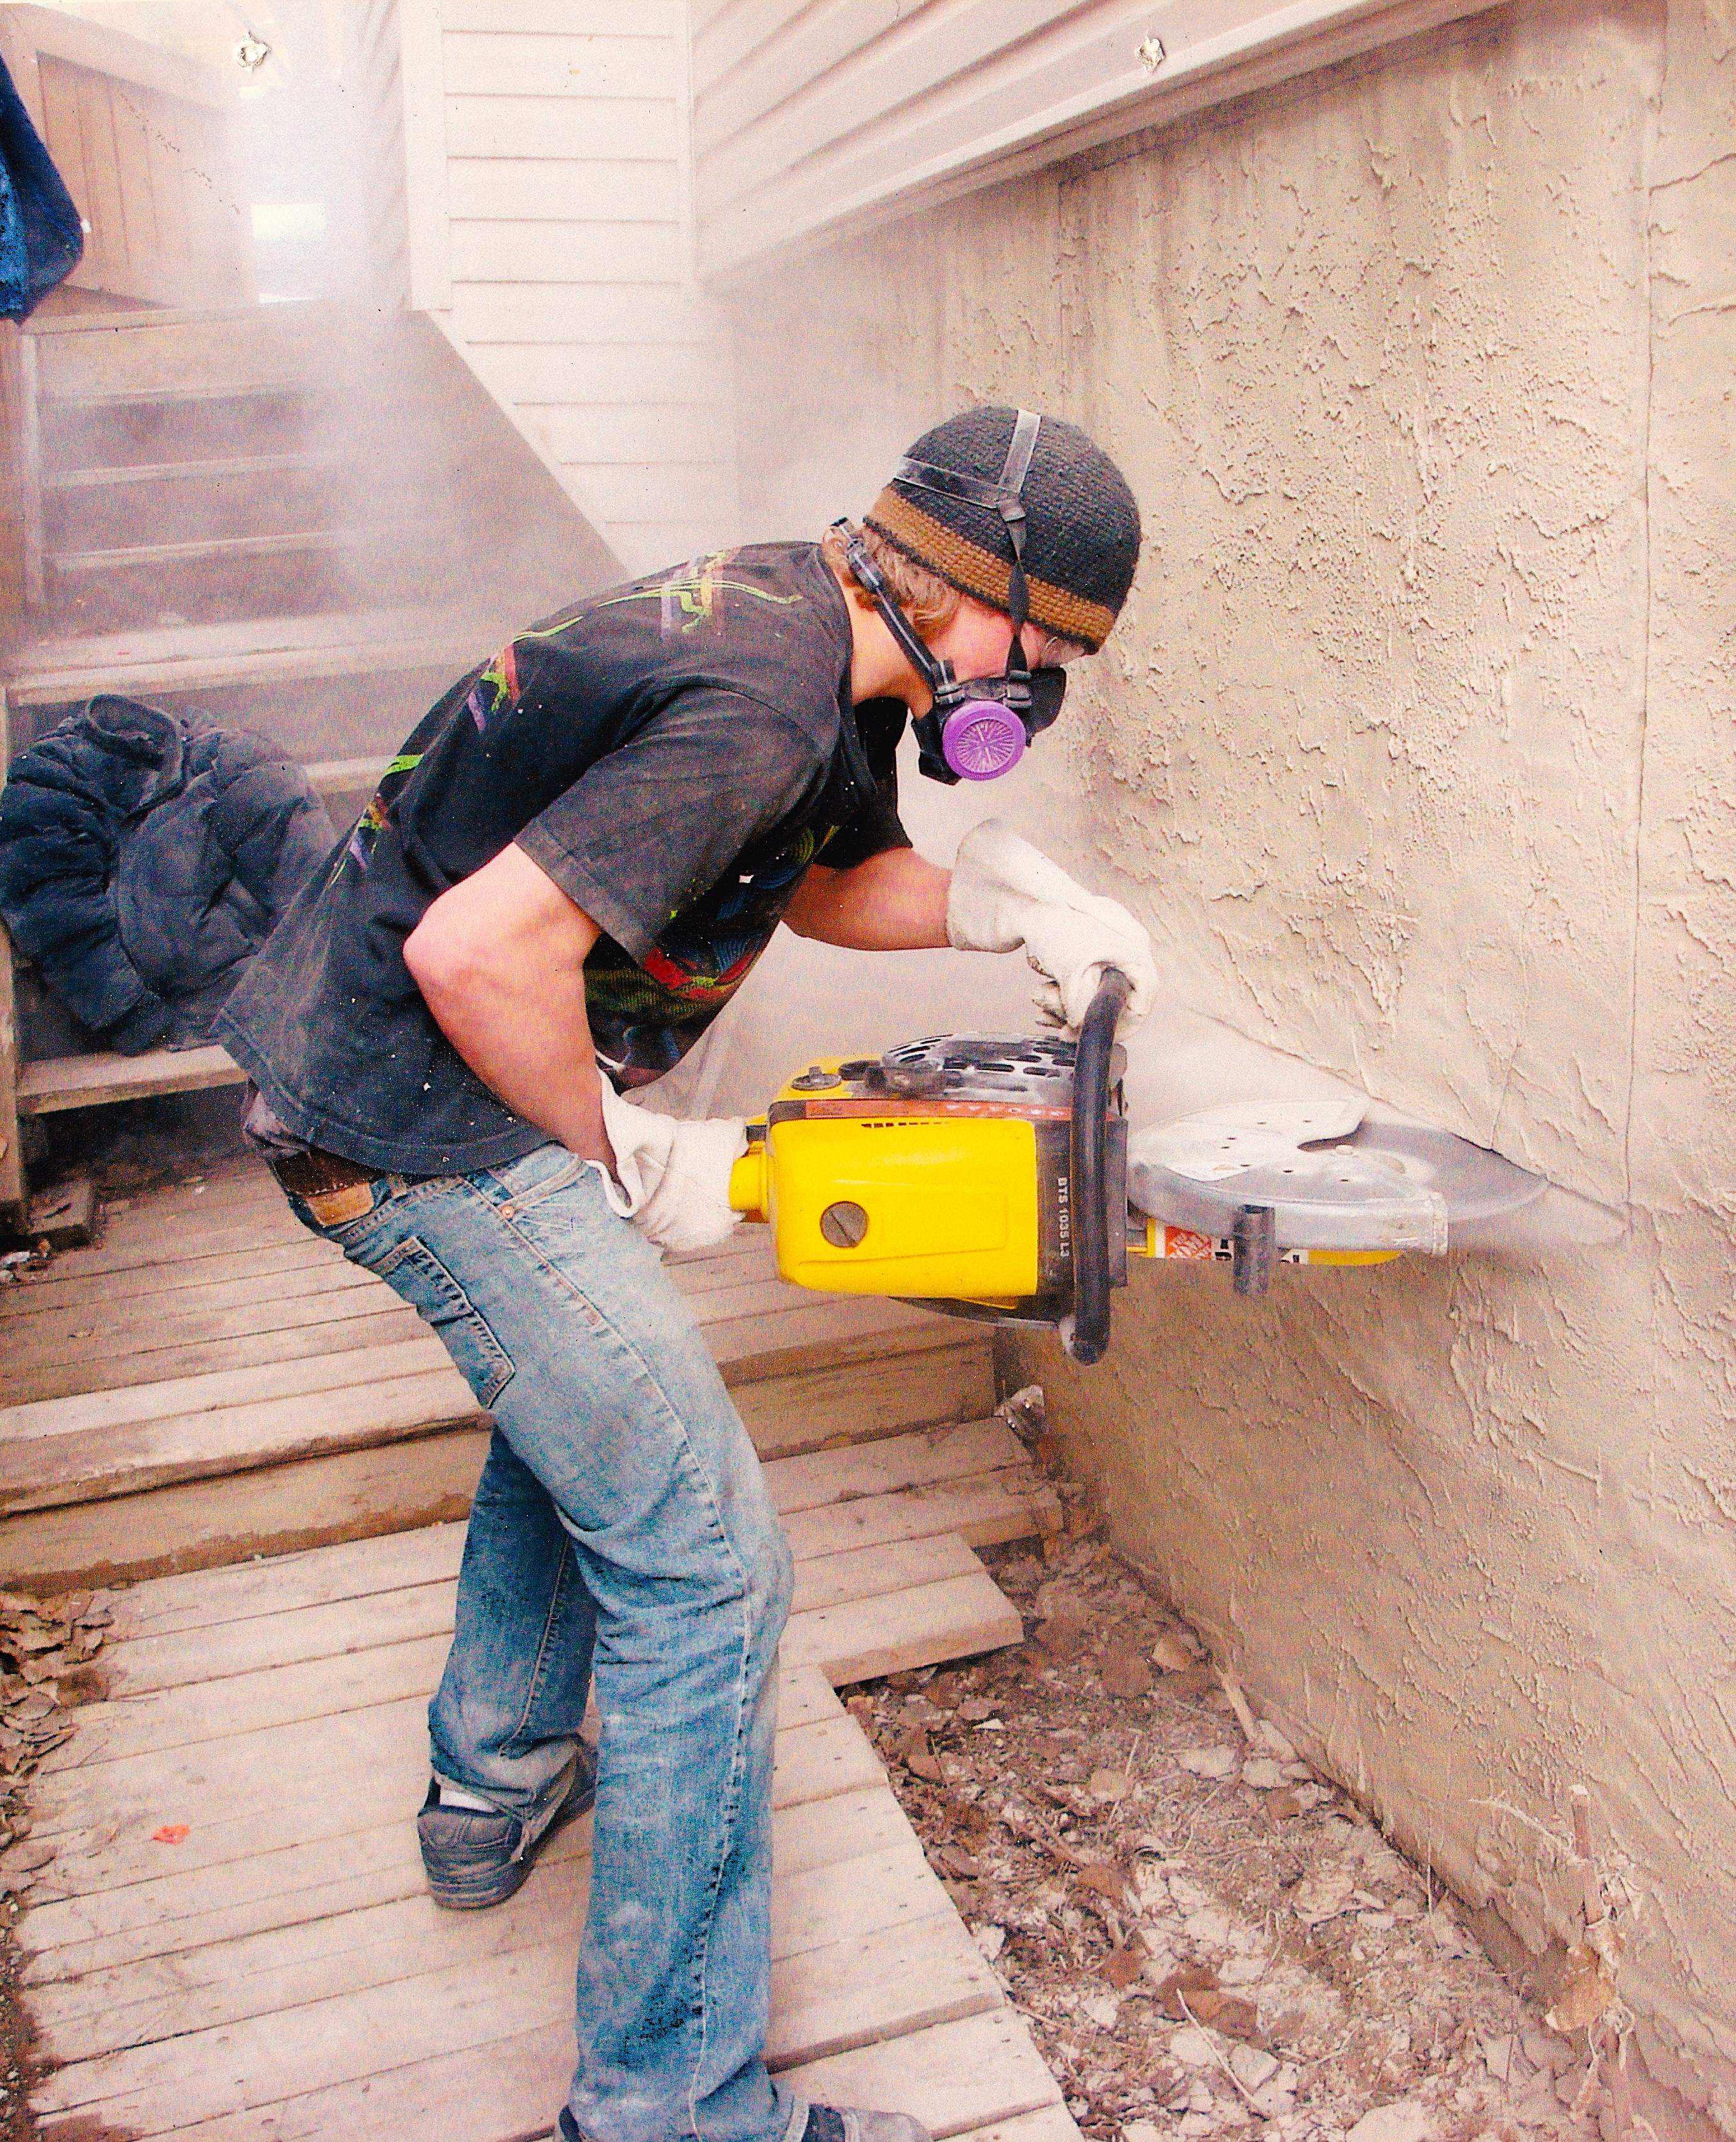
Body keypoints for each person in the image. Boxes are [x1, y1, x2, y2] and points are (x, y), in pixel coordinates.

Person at [214, 406, 1157, 2142]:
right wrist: (623, 1155)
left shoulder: (818, 636)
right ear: (978, 590)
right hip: (429, 1118)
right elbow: (478, 951)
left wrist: (994, 902)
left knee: (586, 1411)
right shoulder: (768, 691)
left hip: (388, 1076)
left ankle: (491, 1788)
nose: (1043, 694)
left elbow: (814, 876)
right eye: (1050, 653)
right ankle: (669, 2110)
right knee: (709, 1572)